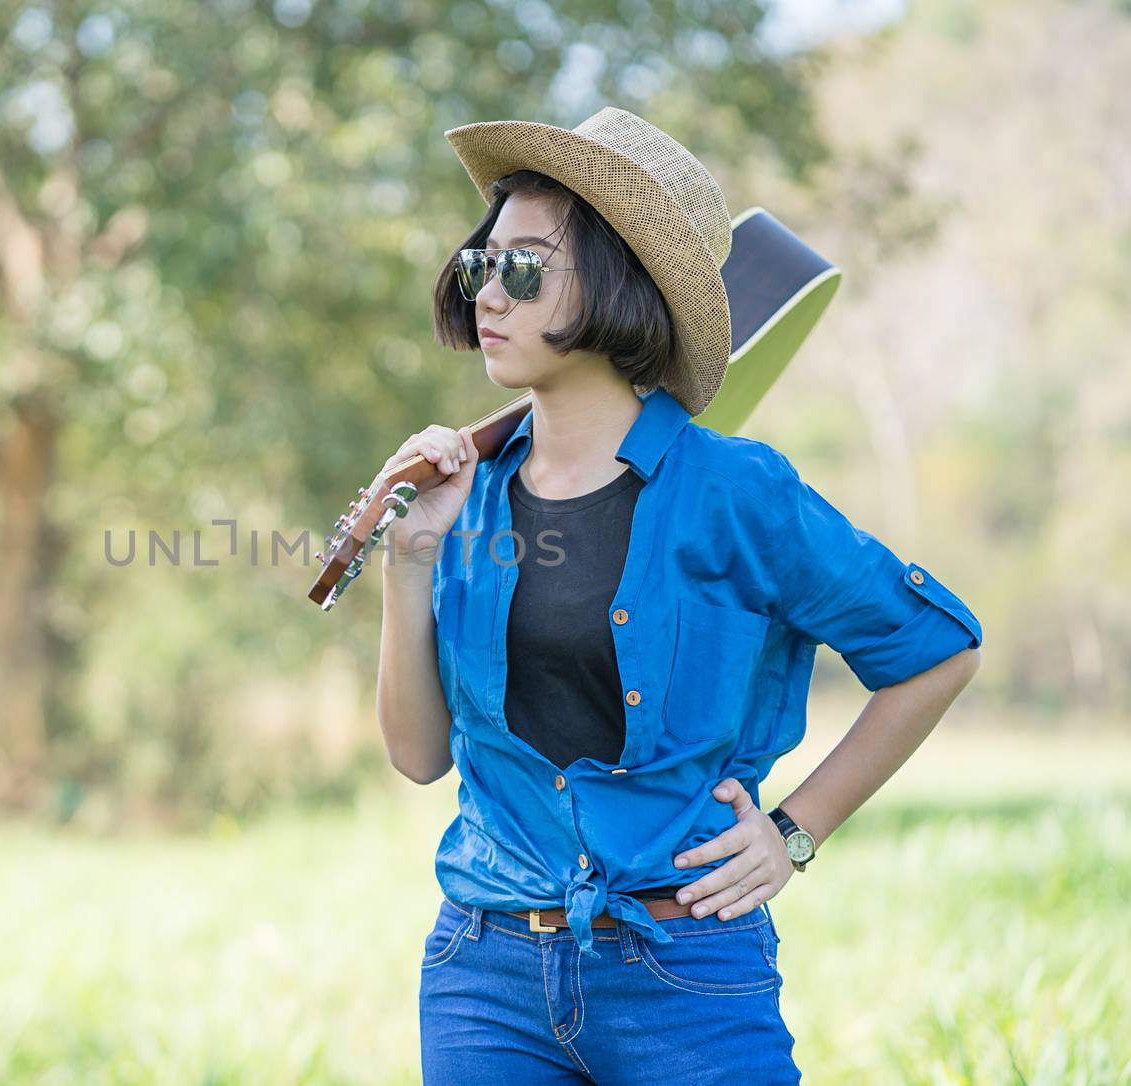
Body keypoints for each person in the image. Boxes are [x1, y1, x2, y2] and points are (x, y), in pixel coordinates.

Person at [373, 107, 983, 1083]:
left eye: (523, 268)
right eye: (477, 265)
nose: (489, 290)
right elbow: (415, 758)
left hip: (686, 975)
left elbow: (936, 651)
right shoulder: (466, 499)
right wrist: (408, 560)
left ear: (618, 286)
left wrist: (794, 831)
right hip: (483, 976)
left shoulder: (739, 495)